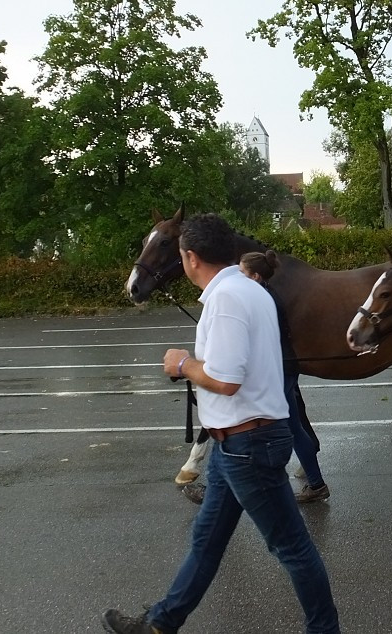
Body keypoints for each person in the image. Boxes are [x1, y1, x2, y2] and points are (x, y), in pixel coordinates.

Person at [102, 213, 341, 634]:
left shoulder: (228, 298)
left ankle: (325, 630)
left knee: (293, 549)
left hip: (247, 444)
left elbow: (227, 380)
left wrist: (183, 364)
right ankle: (161, 623)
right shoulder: (246, 289)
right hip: (235, 443)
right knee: (207, 540)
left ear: (190, 258)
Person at [239, 249, 330, 503]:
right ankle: (315, 483)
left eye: (242, 272)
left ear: (255, 276)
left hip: (277, 369)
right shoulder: (264, 295)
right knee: (289, 426)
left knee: (282, 426)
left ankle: (313, 484)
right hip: (280, 367)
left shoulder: (261, 301)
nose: (238, 276)